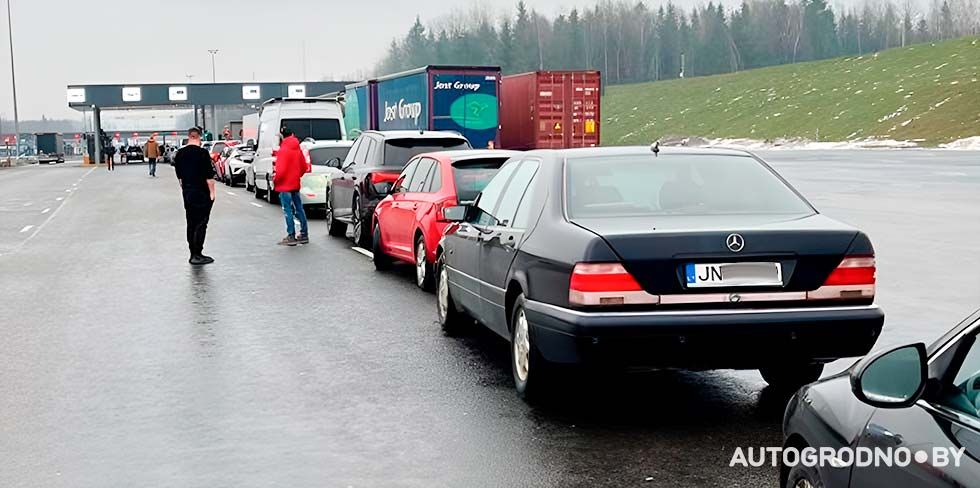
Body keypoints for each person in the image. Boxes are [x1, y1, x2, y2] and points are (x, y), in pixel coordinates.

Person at [174, 127, 217, 265]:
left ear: (188, 136)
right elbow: (209, 177)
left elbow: (180, 178)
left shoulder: (180, 154)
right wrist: (212, 193)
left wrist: (186, 189)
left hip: (188, 191)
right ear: (199, 137)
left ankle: (192, 252)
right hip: (201, 192)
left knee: (191, 222)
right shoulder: (203, 153)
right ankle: (198, 253)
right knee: (201, 223)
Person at [273, 127, 310, 246]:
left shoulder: (283, 150)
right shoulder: (297, 148)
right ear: (292, 134)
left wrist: (276, 180)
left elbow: (281, 170)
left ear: (282, 136)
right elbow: (304, 167)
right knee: (299, 209)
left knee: (287, 210)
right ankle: (304, 234)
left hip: (284, 185)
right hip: (295, 183)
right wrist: (295, 176)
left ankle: (291, 236)